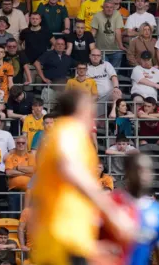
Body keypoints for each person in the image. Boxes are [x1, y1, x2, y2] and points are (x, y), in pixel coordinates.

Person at [30, 89, 134, 264]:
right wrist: (112, 213)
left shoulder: (61, 134)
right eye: (90, 110)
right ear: (81, 110)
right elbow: (69, 167)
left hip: (64, 236)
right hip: (64, 235)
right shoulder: (69, 130)